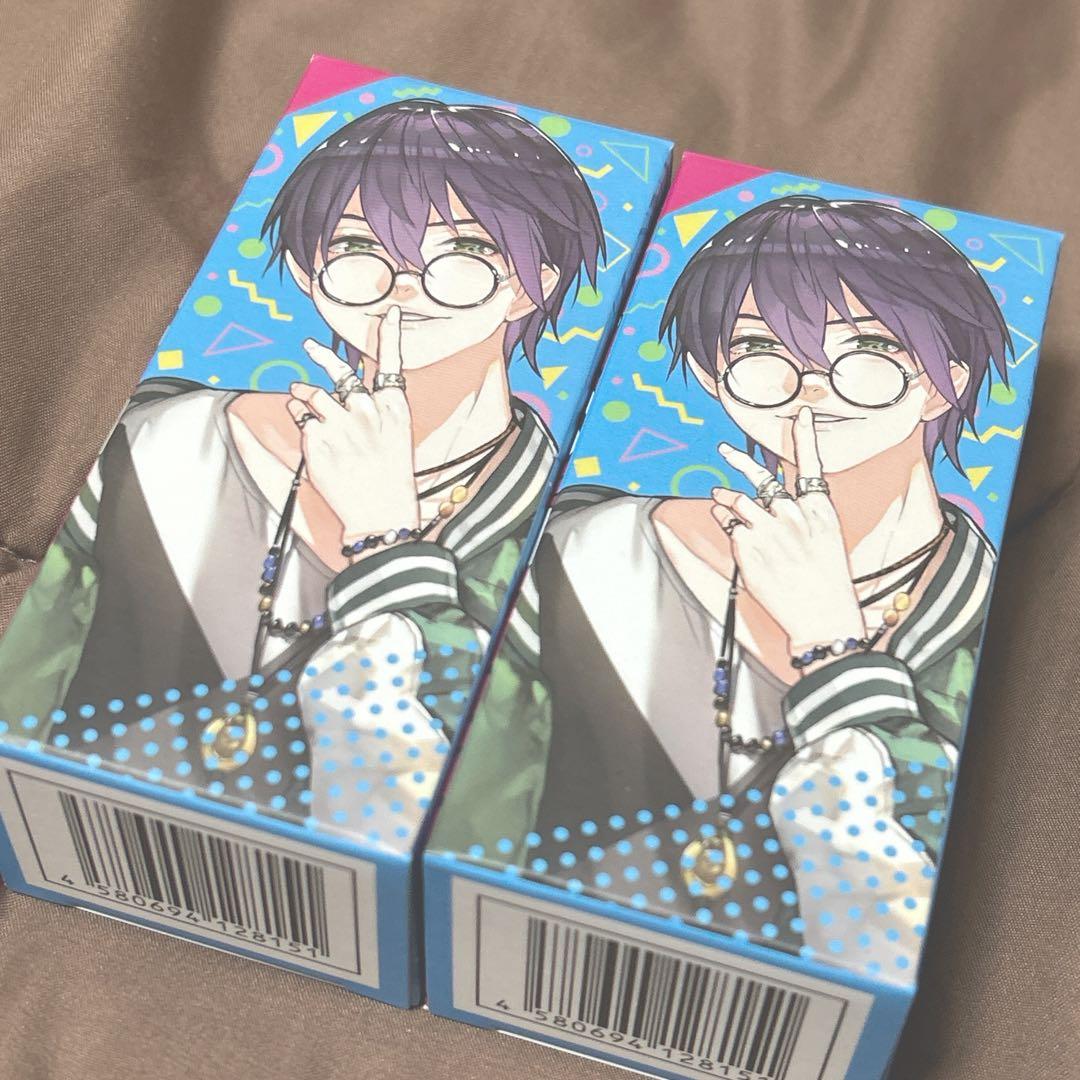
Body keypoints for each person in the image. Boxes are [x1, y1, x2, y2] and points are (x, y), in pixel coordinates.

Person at [0, 99, 604, 849]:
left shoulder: (568, 535)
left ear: (530, 283)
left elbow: (462, 814)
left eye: (462, 253)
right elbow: (27, 703)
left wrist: (386, 536)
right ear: (304, 270)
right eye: (359, 247)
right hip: (85, 834)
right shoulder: (171, 436)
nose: (405, 283)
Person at [530, 196, 1009, 968]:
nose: (812, 385)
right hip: (555, 952)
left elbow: (888, 937)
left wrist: (832, 643)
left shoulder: (983, 624)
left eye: (868, 349)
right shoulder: (594, 549)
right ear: (714, 377)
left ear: (942, 381)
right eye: (762, 350)